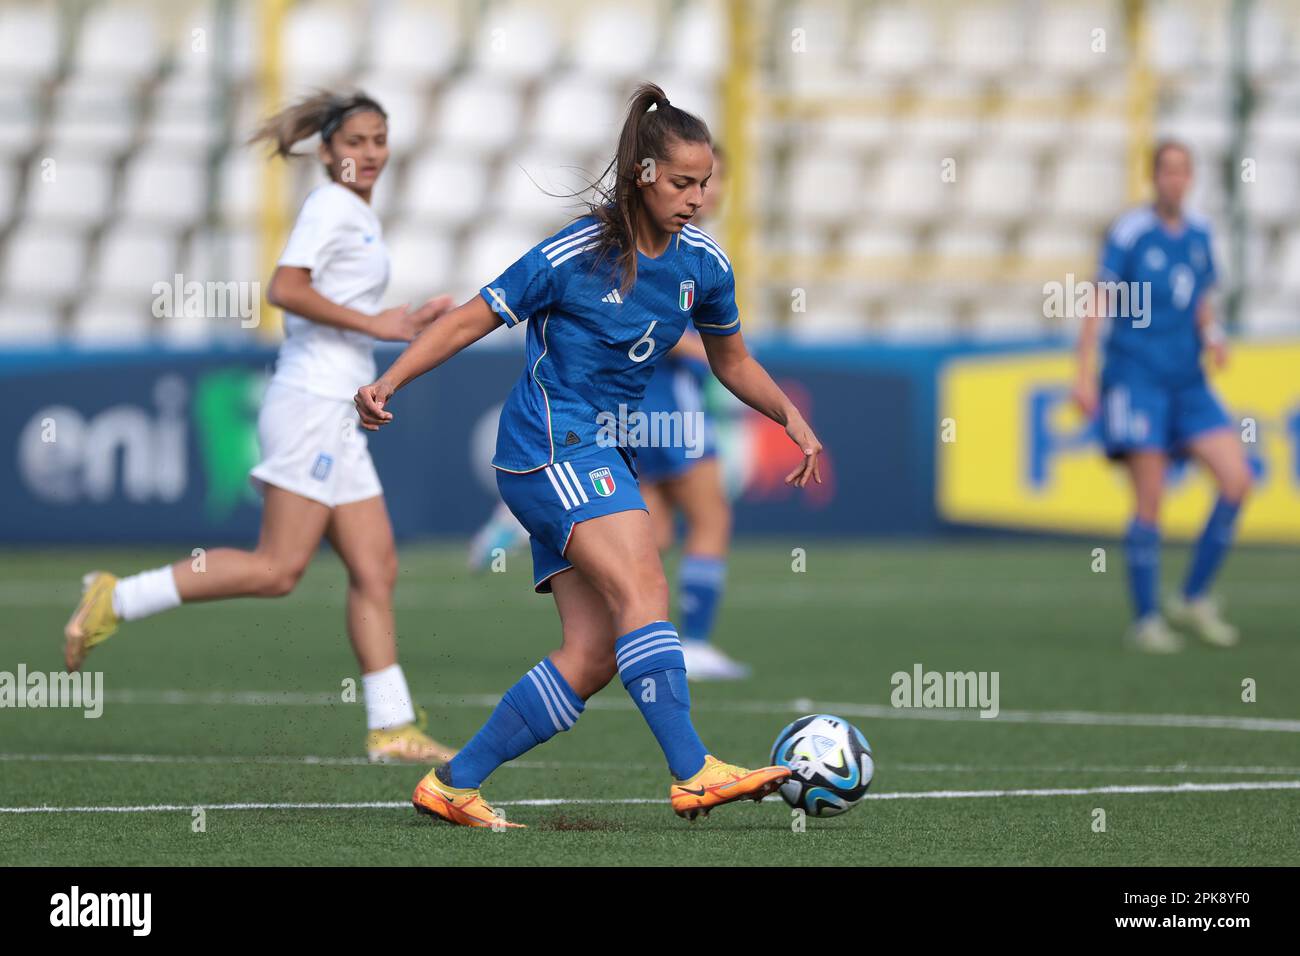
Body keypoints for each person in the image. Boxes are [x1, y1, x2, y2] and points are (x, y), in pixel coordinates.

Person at [355, 83, 824, 827]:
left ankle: (452, 783)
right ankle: (693, 770)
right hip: (548, 442)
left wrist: (790, 415)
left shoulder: (704, 264)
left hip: (600, 450)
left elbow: (731, 361)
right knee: (644, 584)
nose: (698, 197)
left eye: (705, 183)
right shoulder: (572, 254)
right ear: (643, 174)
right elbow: (469, 321)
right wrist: (389, 378)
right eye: (682, 182)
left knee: (594, 652)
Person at [64, 91, 458, 763]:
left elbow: (319, 298)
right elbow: (285, 288)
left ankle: (391, 726)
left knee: (376, 565)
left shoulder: (355, 213)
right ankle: (117, 596)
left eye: (379, 140)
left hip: (338, 405)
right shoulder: (332, 205)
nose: (369, 153)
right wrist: (378, 324)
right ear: (329, 151)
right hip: (312, 402)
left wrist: (395, 320)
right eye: (356, 141)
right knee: (278, 569)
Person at [1072, 139, 1251, 653]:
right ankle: (1146, 618)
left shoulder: (1198, 234)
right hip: (1137, 378)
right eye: (1167, 171)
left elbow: (1198, 298)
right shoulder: (1132, 231)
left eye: (1182, 171)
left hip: (1188, 380)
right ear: (1154, 177)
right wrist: (1083, 374)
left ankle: (1192, 595)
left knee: (1236, 480)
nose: (1175, 180)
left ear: (1190, 178)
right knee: (1151, 500)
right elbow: (1099, 299)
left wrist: (1214, 337)